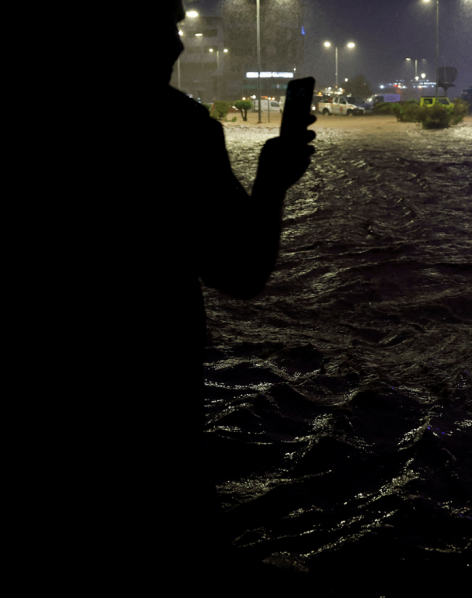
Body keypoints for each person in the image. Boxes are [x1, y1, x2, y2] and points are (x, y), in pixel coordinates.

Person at [33, 0, 316, 589]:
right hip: (154, 403)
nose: (176, 45)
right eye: (164, 26)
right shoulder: (179, 131)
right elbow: (241, 271)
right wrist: (271, 185)